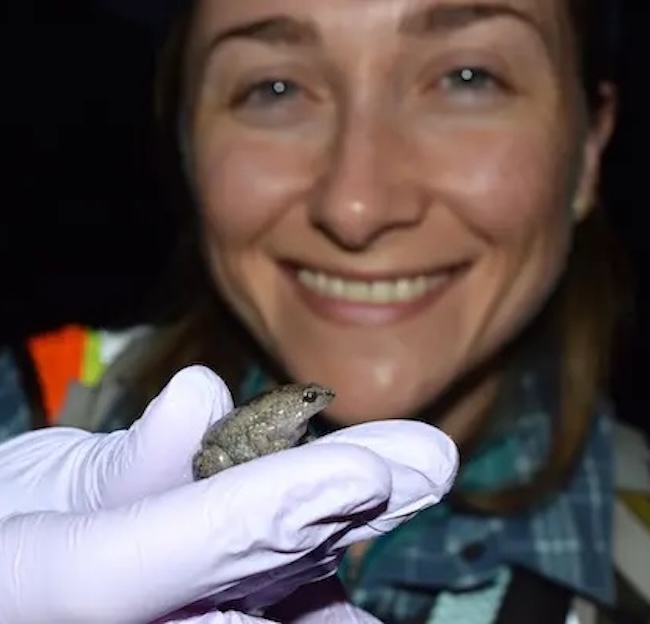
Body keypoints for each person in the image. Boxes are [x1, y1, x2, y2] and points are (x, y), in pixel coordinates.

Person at [4, 0, 650, 622]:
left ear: (591, 146)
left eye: (466, 77)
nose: (355, 207)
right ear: (185, 146)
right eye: (275, 88)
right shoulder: (25, 401)